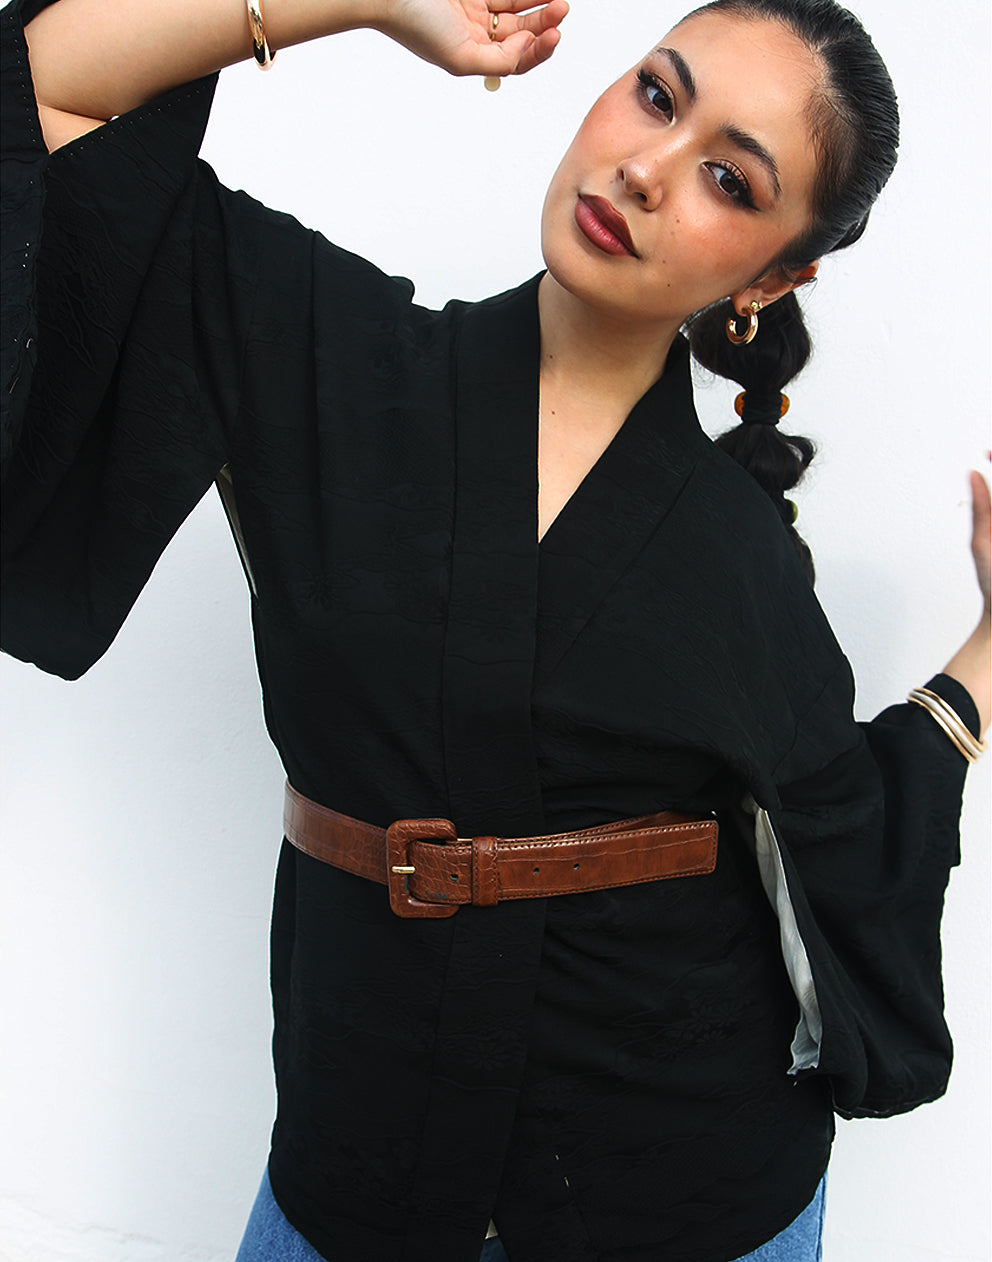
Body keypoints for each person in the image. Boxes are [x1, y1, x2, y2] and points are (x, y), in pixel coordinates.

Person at [1, 0, 988, 1259]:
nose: (645, 166)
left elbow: (846, 828)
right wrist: (354, 1)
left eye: (728, 180)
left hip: (688, 1198)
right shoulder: (324, 354)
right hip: (355, 1170)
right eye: (655, 95)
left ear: (772, 272)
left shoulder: (743, 552)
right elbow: (42, 96)